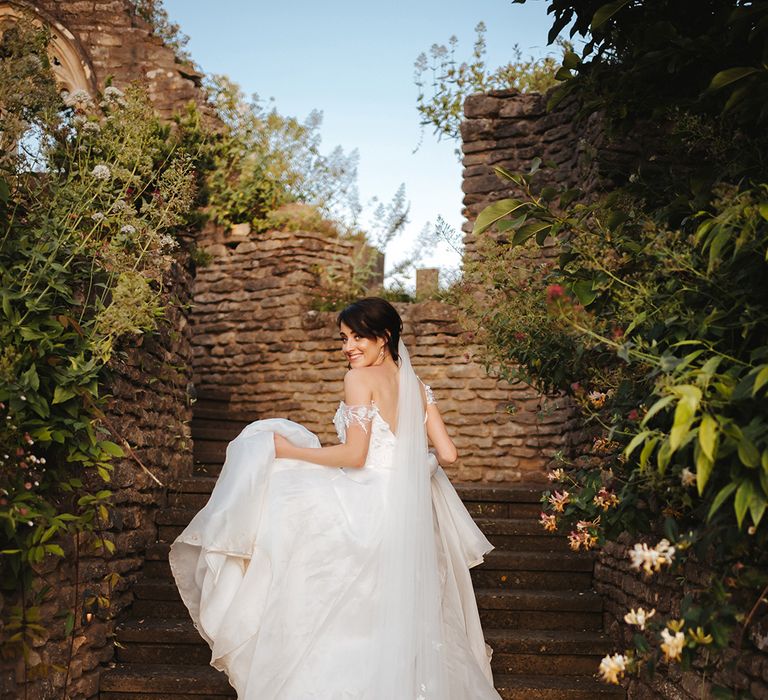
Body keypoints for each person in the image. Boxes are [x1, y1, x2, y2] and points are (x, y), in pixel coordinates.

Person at [170, 297, 502, 699]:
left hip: (368, 504)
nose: (349, 348)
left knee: (283, 516)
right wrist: (414, 467)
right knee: (388, 610)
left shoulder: (358, 380)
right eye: (344, 339)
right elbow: (448, 454)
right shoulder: (417, 386)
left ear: (384, 337)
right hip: (412, 511)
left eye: (358, 337)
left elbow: (354, 455)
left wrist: (287, 451)